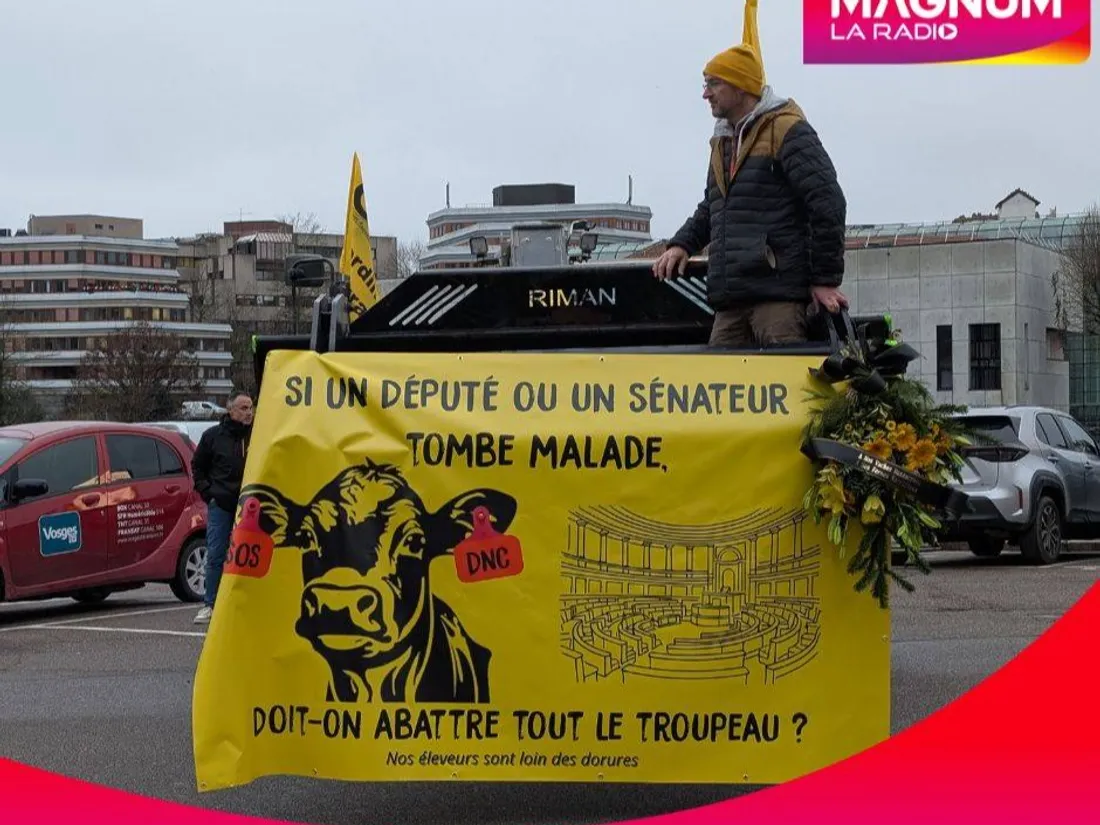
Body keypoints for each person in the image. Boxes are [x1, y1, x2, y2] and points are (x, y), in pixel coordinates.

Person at [652, 0, 848, 347]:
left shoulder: (788, 131)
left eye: (713, 83)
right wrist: (682, 243)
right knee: (715, 393)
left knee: (787, 393)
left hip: (778, 301)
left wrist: (825, 279)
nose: (705, 93)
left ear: (741, 87)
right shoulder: (724, 140)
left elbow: (827, 203)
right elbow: (714, 206)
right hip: (732, 300)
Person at [190, 392, 254, 624]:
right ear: (231, 410)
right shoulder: (213, 437)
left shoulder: (257, 436)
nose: (248, 412)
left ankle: (246, 603)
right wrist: (209, 494)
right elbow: (197, 467)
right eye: (243, 408)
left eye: (250, 407)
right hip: (222, 504)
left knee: (250, 555)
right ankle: (210, 604)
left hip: (249, 505)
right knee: (216, 553)